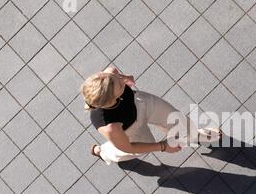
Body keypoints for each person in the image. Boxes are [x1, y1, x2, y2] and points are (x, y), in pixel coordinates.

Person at [80, 67, 221, 165]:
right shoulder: (110, 127)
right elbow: (129, 147)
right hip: (130, 129)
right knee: (131, 149)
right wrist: (163, 147)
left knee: (178, 120)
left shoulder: (109, 75)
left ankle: (195, 135)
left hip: (141, 103)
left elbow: (114, 73)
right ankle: (104, 152)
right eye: (120, 85)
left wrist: (125, 78)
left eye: (117, 78)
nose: (120, 79)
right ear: (111, 99)